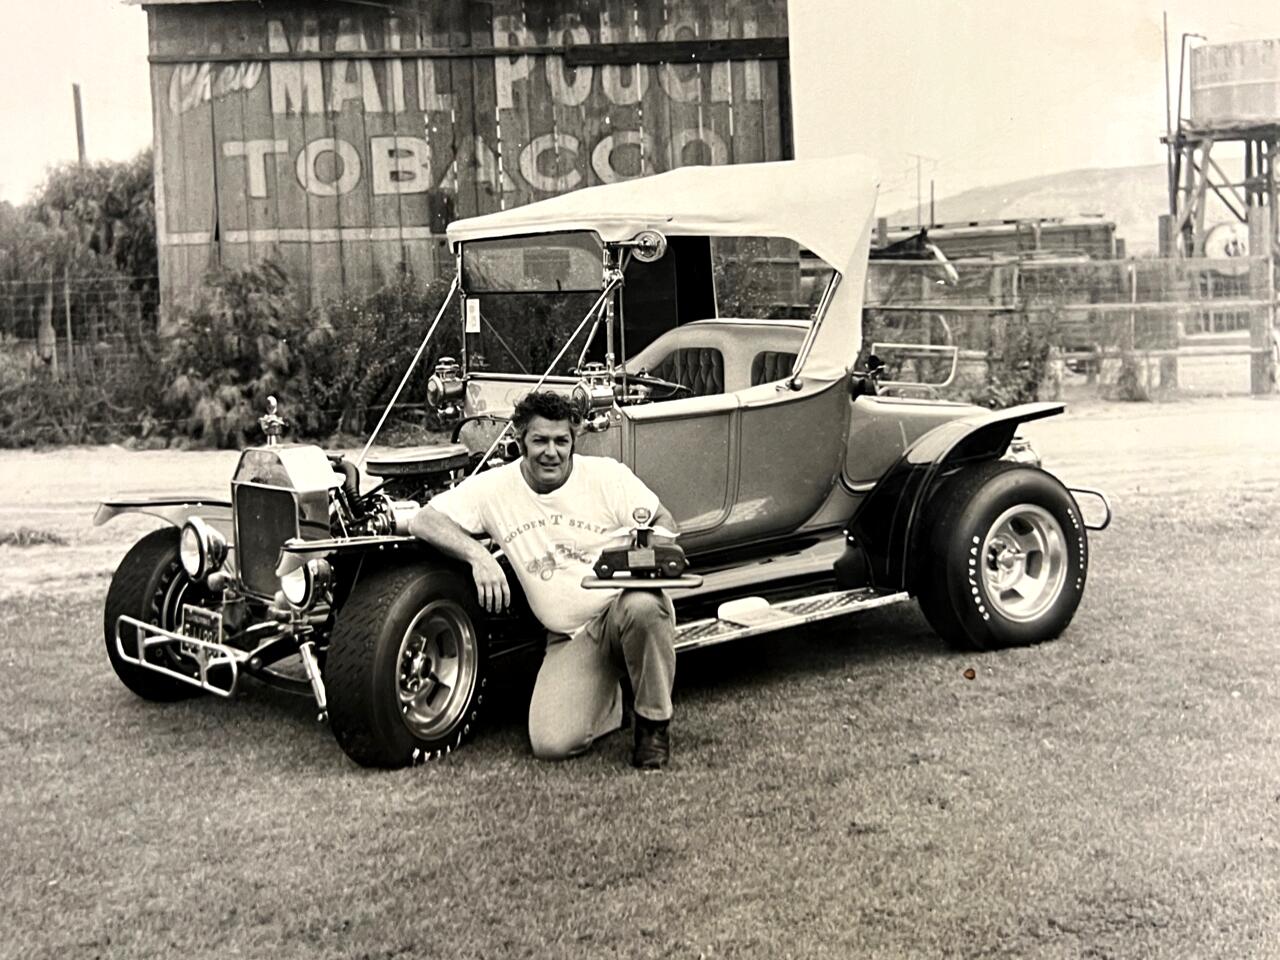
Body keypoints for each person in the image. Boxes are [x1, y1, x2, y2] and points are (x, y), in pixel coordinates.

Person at [408, 390, 680, 769]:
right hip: (569, 636)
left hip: (621, 612)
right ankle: (611, 699)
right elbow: (424, 519)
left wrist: (641, 551)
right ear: (520, 441)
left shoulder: (607, 476)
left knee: (644, 607)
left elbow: (665, 522)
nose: (551, 452)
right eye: (539, 440)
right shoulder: (495, 487)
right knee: (552, 743)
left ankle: (653, 726)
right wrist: (478, 555)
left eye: (561, 441)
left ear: (573, 441)